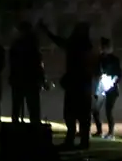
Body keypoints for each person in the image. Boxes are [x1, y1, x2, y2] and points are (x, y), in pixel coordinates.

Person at [40, 21, 94, 150]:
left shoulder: (75, 45)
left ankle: (72, 140)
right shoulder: (87, 46)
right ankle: (82, 141)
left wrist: (47, 32)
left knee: (72, 114)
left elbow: (60, 42)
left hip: (75, 83)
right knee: (82, 115)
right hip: (83, 84)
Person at [9, 21, 44, 124]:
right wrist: (41, 78)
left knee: (17, 106)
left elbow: (12, 62)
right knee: (33, 107)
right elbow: (38, 62)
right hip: (31, 79)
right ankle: (35, 126)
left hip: (19, 78)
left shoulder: (17, 44)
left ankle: (16, 125)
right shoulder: (34, 43)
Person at [93, 37, 122, 139]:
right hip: (101, 86)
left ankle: (110, 132)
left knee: (108, 110)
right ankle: (99, 130)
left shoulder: (114, 59)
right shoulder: (99, 59)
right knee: (95, 110)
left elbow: (119, 74)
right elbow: (95, 71)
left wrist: (112, 81)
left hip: (111, 87)